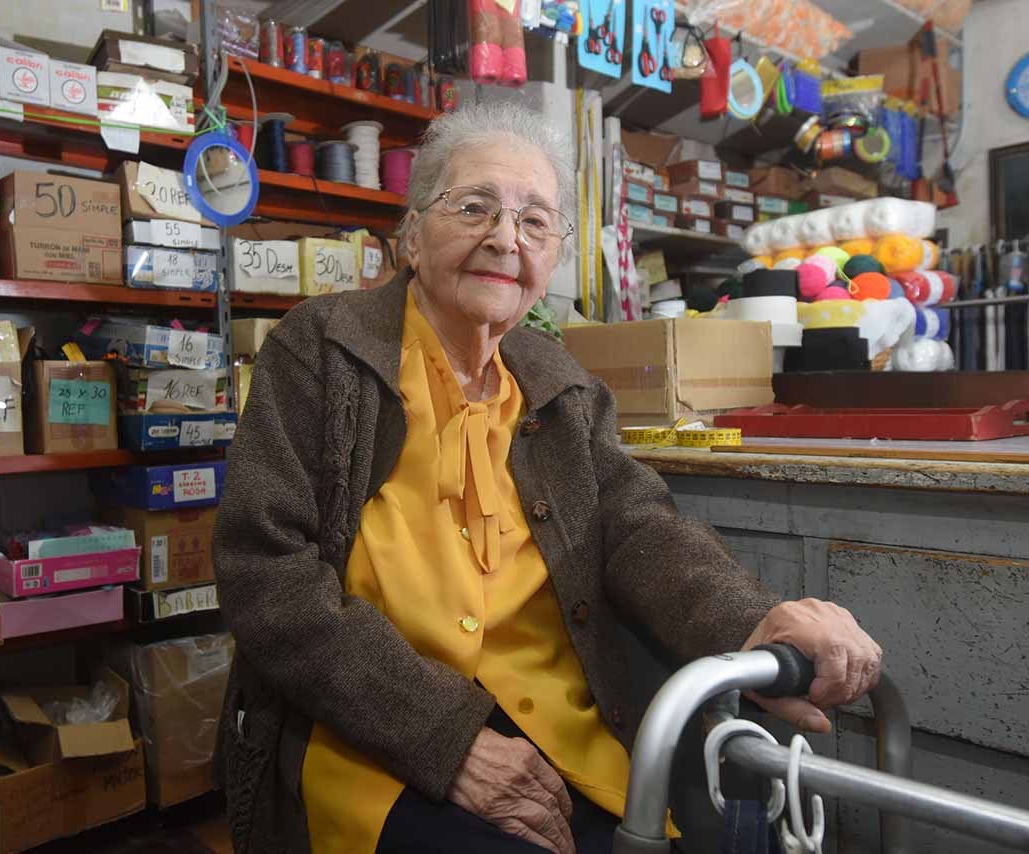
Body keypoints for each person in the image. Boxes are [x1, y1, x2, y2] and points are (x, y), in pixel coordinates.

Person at [212, 101, 882, 854]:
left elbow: (638, 530)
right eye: (474, 207)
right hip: (372, 728)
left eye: (535, 222)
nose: (505, 238)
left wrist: (751, 624)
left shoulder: (560, 384)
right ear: (410, 235)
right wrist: (447, 738)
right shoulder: (322, 349)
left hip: (556, 735)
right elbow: (267, 573)